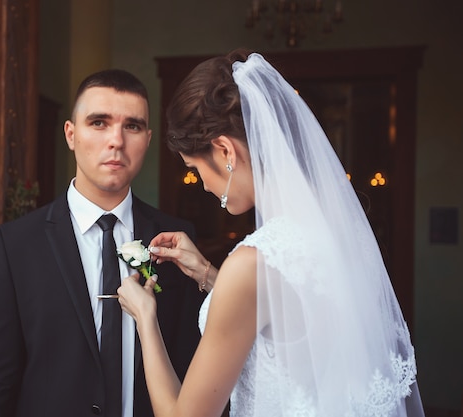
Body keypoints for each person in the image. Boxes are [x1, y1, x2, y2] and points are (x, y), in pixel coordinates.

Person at [117, 49, 425, 417]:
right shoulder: (333, 233)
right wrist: (207, 274)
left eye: (196, 169)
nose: (202, 185)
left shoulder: (250, 265)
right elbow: (289, 329)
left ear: (225, 151)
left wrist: (145, 318)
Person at [0, 69, 205, 417]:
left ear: (148, 139)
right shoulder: (16, 244)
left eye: (132, 126)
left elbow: (191, 364)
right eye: (99, 123)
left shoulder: (178, 240)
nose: (116, 141)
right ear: (71, 134)